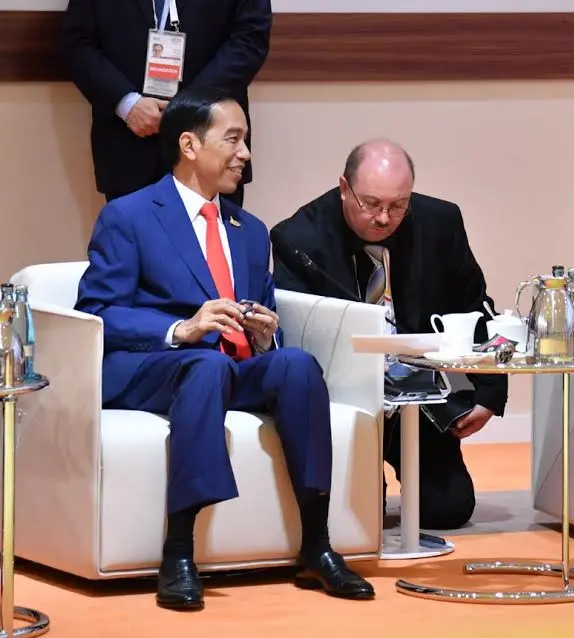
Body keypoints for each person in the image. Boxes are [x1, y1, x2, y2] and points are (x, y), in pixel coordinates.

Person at [74, 86, 374, 610]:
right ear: (189, 145)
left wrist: (265, 333)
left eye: (246, 140)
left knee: (297, 365)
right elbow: (98, 310)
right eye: (233, 139)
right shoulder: (130, 216)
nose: (246, 154)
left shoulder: (250, 230)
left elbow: (259, 313)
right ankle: (180, 550)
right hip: (153, 367)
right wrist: (181, 329)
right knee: (205, 364)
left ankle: (317, 543)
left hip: (227, 366)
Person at [270, 139, 508, 530]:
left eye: (398, 205)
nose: (384, 218)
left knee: (448, 509)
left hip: (420, 395)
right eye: (370, 203)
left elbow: (474, 305)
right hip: (345, 400)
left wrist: (489, 393)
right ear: (344, 188)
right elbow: (298, 334)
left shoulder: (440, 222)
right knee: (362, 516)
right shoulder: (298, 239)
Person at [61, 0, 272, 206]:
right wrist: (126, 103)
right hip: (128, 140)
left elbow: (250, 38)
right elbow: (78, 42)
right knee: (135, 238)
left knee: (212, 239)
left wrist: (192, 108)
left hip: (210, 135)